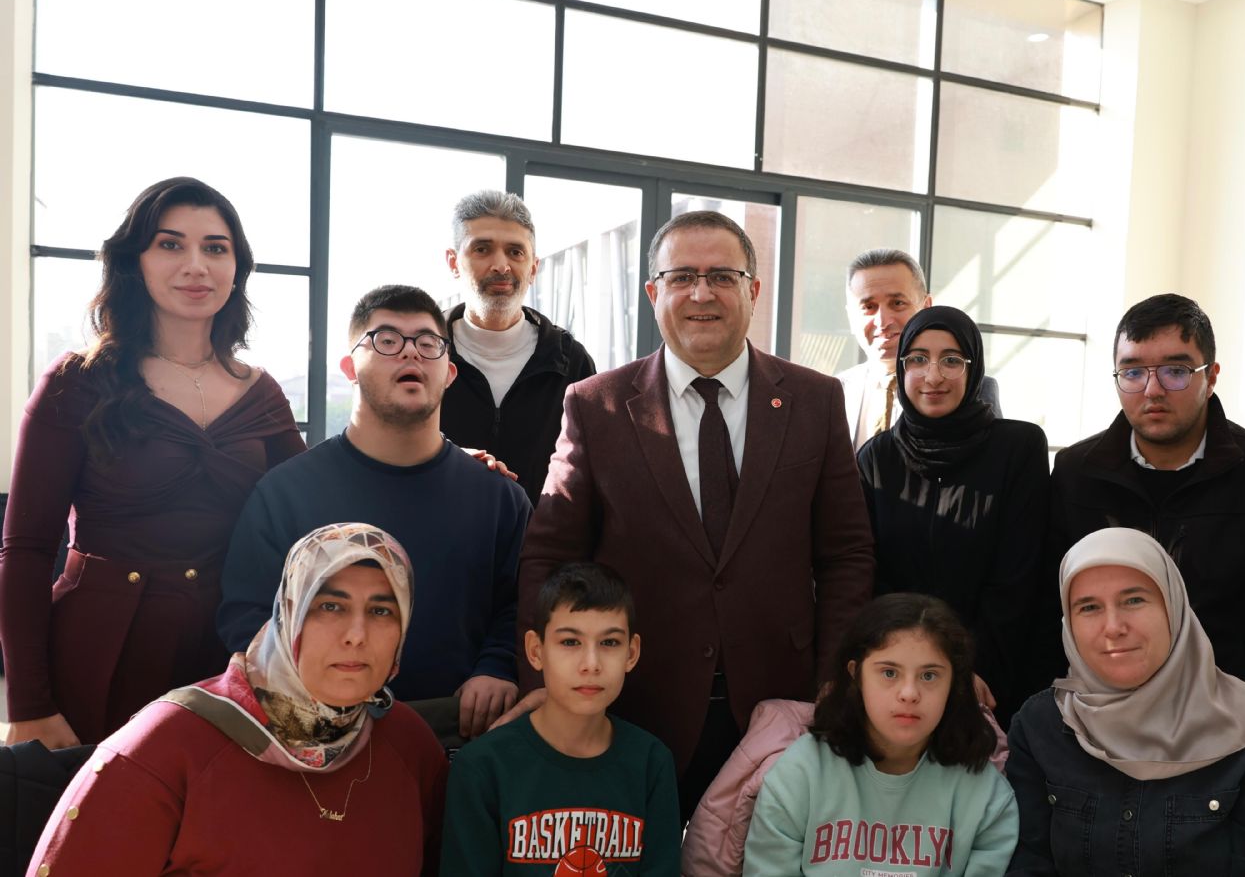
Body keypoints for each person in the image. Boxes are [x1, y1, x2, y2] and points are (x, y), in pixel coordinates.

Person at [518, 210, 874, 820]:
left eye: (722, 277)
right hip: (632, 705)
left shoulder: (815, 400)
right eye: (682, 276)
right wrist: (541, 685)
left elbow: (846, 554)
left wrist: (832, 686)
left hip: (779, 709)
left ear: (753, 291)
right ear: (653, 293)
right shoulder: (597, 405)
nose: (702, 294)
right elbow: (550, 554)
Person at [0, 176, 305, 747]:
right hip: (98, 653)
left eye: (215, 248)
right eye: (170, 244)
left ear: (236, 267)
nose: (196, 265)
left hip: (226, 658)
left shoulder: (263, 393)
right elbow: (26, 550)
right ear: (133, 261)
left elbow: (312, 510)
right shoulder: (75, 382)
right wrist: (28, 702)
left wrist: (440, 454)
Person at [28, 522, 447, 875]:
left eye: (381, 611)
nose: (356, 635)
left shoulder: (410, 746)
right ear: (289, 614)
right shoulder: (165, 745)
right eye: (329, 606)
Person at [220, 285, 531, 742]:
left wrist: (498, 666)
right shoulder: (286, 492)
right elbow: (246, 614)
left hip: (461, 735)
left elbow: (523, 604)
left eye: (428, 343)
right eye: (387, 340)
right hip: (318, 734)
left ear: (449, 372)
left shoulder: (500, 497)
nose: (411, 353)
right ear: (349, 367)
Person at [1048, 293, 1245, 752]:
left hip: (1230, 732)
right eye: (1133, 372)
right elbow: (1051, 616)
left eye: (1176, 371)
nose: (1152, 390)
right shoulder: (1075, 473)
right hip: (1100, 729)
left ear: (1211, 376)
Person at [1005, 527, 1245, 876]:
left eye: (1133, 600)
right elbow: (1025, 862)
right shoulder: (1040, 726)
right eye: (1089, 607)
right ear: (1069, 624)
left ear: (1173, 607)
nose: (1113, 627)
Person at [856, 305, 1049, 721]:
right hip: (900, 678)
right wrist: (912, 667)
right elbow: (871, 575)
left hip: (990, 675)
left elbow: (1018, 576)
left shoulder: (1018, 448)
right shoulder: (876, 458)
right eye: (918, 359)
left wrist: (968, 668)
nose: (933, 376)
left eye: (951, 360)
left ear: (973, 368)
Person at [743, 593, 1019, 876]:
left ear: (954, 685)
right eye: (889, 673)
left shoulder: (987, 796)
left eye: (929, 675)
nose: (909, 693)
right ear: (856, 675)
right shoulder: (800, 774)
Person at [442, 562, 679, 876]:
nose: (591, 664)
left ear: (632, 653)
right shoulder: (482, 767)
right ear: (536, 651)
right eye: (570, 642)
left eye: (609, 642)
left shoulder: (651, 762)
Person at [440, 190, 596, 497]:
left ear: (533, 268)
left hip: (543, 528)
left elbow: (591, 471)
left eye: (515, 252)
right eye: (482, 249)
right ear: (454, 262)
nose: (501, 265)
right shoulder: (422, 353)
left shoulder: (571, 362)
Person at [838, 249, 1000, 450]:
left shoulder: (970, 388)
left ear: (926, 307)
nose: (882, 321)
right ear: (851, 316)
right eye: (868, 307)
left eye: (897, 303)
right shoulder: (835, 391)